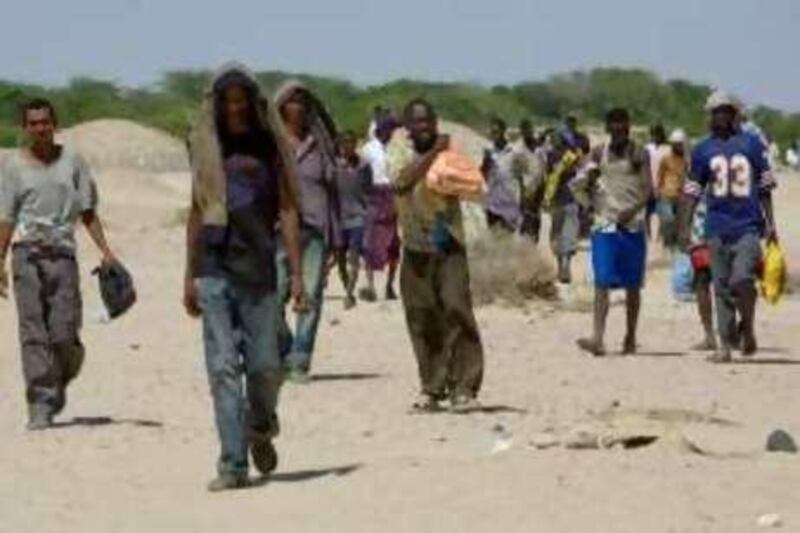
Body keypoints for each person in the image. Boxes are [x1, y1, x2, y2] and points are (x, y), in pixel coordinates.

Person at [184, 64, 305, 491]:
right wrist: (190, 275)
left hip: (258, 269)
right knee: (221, 370)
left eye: (240, 100)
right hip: (215, 268)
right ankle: (232, 464)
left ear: (252, 104)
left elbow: (289, 209)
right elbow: (198, 209)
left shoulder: (270, 146)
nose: (234, 108)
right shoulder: (205, 145)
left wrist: (298, 274)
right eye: (227, 100)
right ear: (217, 104)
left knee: (265, 367)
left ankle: (260, 424)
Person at [0, 98, 119, 430]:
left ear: (55, 125)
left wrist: (106, 252)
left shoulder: (73, 162)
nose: (40, 128)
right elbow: (6, 216)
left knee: (64, 331)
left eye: (45, 122)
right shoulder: (12, 167)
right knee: (33, 331)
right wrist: (0, 258)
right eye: (33, 123)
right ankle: (41, 403)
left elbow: (88, 211)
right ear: (24, 128)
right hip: (26, 255)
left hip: (63, 254)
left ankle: (65, 370)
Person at [388, 98, 485, 413]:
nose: (424, 127)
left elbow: (472, 183)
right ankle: (432, 385)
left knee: (457, 309)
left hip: (448, 244)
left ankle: (464, 386)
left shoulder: (450, 154)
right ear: (408, 127)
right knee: (421, 316)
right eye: (417, 122)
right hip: (414, 246)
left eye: (428, 120)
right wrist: (433, 155)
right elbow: (401, 182)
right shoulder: (398, 151)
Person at [678, 90, 778, 363]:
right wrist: (684, 228)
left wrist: (771, 225)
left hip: (748, 225)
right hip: (716, 227)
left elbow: (765, 188)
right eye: (716, 111)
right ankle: (724, 345)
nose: (720, 116)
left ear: (734, 115)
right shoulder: (703, 150)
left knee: (742, 280)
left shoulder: (752, 145)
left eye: (725, 111)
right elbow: (692, 191)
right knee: (720, 286)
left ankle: (748, 326)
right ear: (710, 116)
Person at [274, 80, 340, 382]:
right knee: (272, 298)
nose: (297, 108)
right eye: (291, 102)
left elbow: (332, 190)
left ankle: (299, 360)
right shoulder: (272, 144)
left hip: (314, 229)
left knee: (310, 297)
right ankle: (284, 348)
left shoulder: (320, 146)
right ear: (282, 107)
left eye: (302, 103)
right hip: (275, 231)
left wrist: (337, 238)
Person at [572, 108, 651, 356]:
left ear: (628, 127)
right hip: (605, 222)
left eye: (622, 126)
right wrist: (588, 192)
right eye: (614, 126)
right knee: (602, 280)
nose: (618, 130)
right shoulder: (598, 152)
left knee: (632, 285)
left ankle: (630, 336)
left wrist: (634, 209)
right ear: (608, 128)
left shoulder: (639, 153)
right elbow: (580, 182)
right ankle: (598, 336)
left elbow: (649, 190)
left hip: (633, 224)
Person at [359, 116, 401, 302]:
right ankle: (370, 286)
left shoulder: (393, 150)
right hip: (375, 195)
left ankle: (389, 286)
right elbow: (361, 174)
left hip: (391, 195)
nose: (391, 134)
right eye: (389, 130)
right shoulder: (368, 149)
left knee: (393, 244)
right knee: (371, 243)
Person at [334, 130, 372, 309]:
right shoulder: (335, 166)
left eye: (351, 142)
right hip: (339, 219)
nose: (348, 146)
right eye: (344, 143)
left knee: (354, 258)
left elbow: (368, 190)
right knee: (340, 259)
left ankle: (349, 294)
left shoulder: (363, 166)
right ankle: (346, 286)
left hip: (357, 217)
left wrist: (367, 213)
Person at [543, 130, 582, 283]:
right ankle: (565, 265)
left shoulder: (551, 155)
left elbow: (548, 177)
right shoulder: (573, 157)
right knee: (569, 234)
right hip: (571, 199)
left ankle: (561, 267)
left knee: (558, 234)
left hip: (557, 200)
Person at [482, 117, 521, 232]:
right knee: (494, 239)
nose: (494, 135)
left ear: (503, 131)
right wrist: (486, 163)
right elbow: (482, 176)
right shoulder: (488, 150)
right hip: (492, 203)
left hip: (510, 203)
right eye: (492, 132)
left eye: (496, 132)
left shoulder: (513, 151)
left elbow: (522, 177)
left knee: (509, 239)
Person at [655, 129, 689, 251]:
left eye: (679, 144)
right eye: (675, 144)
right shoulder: (666, 159)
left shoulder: (687, 160)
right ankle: (668, 246)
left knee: (680, 222)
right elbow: (660, 174)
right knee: (667, 221)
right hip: (667, 193)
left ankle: (678, 246)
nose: (677, 147)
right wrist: (657, 190)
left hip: (682, 195)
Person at [515, 119, 547, 242]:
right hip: (525, 187)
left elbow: (545, 166)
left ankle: (533, 243)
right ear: (522, 132)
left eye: (529, 129)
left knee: (536, 218)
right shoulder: (518, 150)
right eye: (525, 130)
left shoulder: (540, 147)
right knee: (526, 217)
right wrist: (522, 189)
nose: (528, 132)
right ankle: (524, 247)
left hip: (540, 186)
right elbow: (517, 172)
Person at [645, 124, 670, 239]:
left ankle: (660, 235)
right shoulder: (647, 149)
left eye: (658, 135)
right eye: (654, 135)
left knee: (662, 213)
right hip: (648, 183)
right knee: (647, 212)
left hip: (663, 185)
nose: (656, 137)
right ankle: (648, 234)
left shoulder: (667, 150)